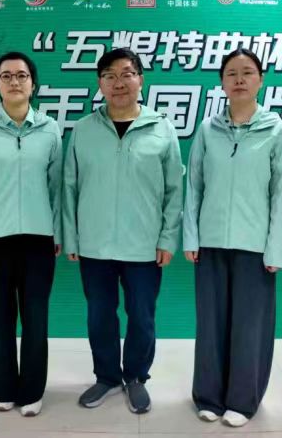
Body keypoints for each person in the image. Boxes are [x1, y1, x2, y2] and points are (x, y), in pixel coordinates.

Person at [62, 47, 184, 414]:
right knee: (100, 315)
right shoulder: (84, 130)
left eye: (127, 74)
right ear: (99, 83)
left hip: (144, 245)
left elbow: (174, 190)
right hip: (94, 244)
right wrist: (71, 237)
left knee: (142, 317)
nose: (119, 83)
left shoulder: (162, 129)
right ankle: (106, 376)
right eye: (110, 76)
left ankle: (135, 377)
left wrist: (167, 238)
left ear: (140, 80)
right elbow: (69, 186)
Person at [182, 48, 282, 427]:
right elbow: (194, 186)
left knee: (250, 327)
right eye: (232, 73)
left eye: (247, 72)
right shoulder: (207, 129)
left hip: (255, 247)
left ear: (261, 79)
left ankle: (243, 402)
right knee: (210, 325)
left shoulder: (276, 130)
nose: (240, 79)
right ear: (222, 82)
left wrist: (274, 248)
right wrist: (191, 237)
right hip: (210, 244)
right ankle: (208, 396)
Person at [0, 51, 62, 417]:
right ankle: (3, 387)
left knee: (36, 319)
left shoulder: (49, 128)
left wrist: (57, 233)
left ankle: (32, 391)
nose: (14, 81)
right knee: (1, 319)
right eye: (6, 76)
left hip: (39, 240)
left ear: (33, 84)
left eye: (22, 75)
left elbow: (57, 188)